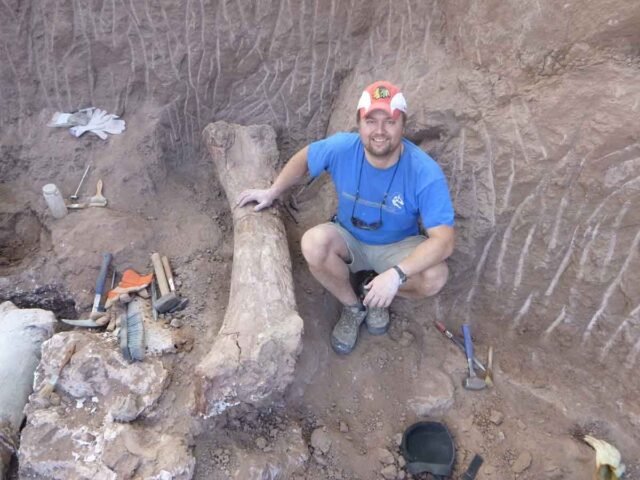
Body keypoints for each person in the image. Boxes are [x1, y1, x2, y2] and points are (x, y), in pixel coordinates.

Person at [237, 80, 455, 354]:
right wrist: (273, 191)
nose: (379, 131)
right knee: (313, 244)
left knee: (435, 276)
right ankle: (353, 307)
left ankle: (374, 294)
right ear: (359, 123)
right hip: (349, 236)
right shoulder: (343, 148)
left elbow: (444, 241)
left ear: (403, 125)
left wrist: (397, 275)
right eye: (370, 121)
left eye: (389, 121)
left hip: (397, 247)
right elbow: (305, 158)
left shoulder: (424, 171)